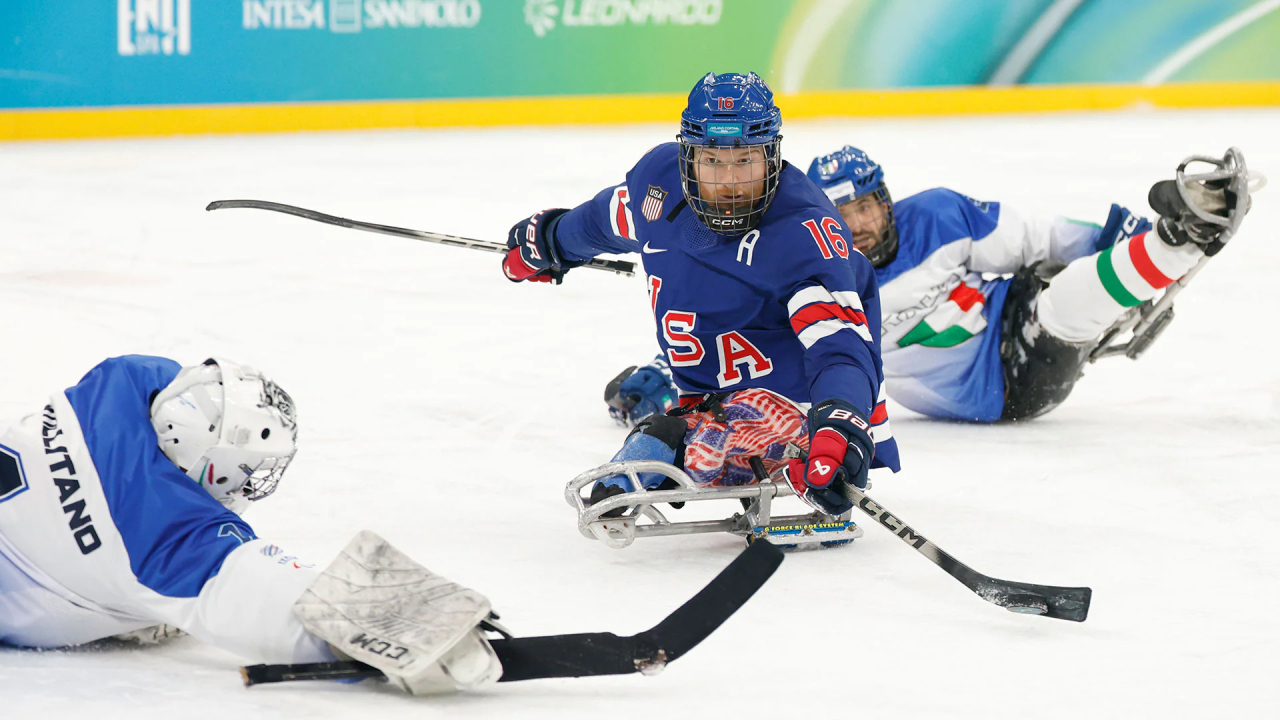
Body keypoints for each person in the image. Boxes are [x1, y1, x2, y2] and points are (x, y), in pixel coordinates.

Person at [609, 146, 1254, 423]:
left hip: (1011, 304)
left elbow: (1040, 235)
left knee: (1058, 284)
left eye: (866, 204)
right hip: (1005, 388)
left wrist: (1128, 234)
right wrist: (666, 382)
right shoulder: (818, 289)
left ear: (887, 200)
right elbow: (751, 363)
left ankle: (1171, 236)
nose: (857, 225)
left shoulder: (938, 214)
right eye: (840, 214)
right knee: (1063, 311)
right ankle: (1178, 246)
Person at [503, 72, 900, 517]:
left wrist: (838, 421)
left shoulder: (801, 233)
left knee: (660, 440)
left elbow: (839, 348)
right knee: (666, 421)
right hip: (710, 392)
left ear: (772, 158)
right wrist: (551, 241)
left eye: (745, 160)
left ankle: (698, 438)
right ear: (688, 159)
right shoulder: (657, 190)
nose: (729, 182)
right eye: (712, 161)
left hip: (801, 411)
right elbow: (600, 222)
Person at [0, 355, 504, 695]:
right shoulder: (154, 536)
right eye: (250, 468)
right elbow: (262, 592)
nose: (254, 483)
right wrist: (407, 624)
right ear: (208, 459)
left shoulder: (125, 382)